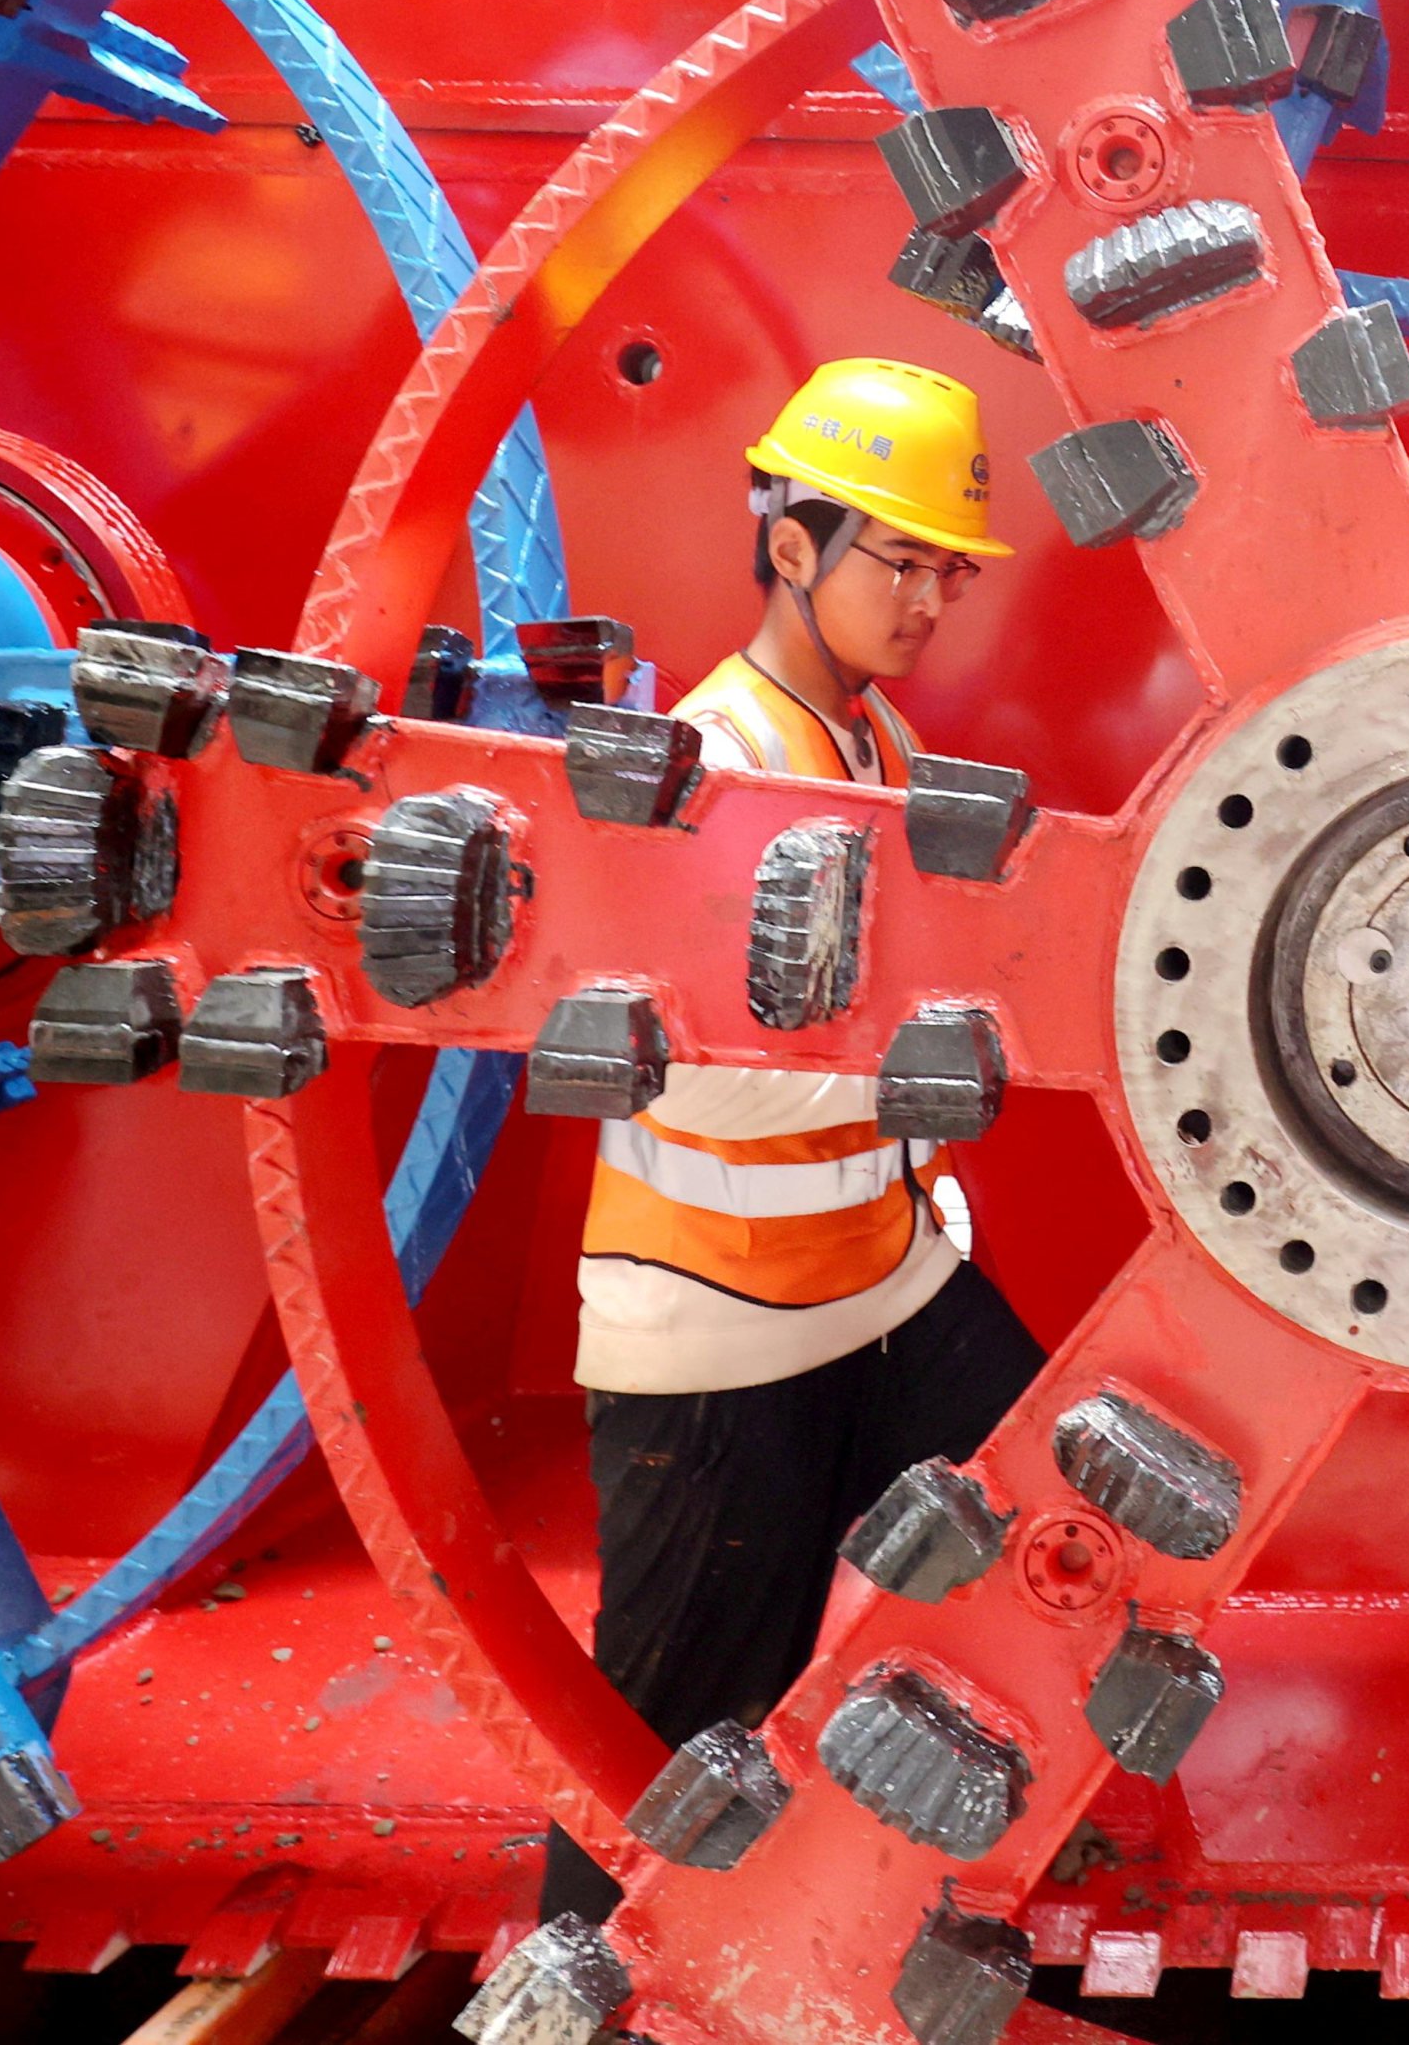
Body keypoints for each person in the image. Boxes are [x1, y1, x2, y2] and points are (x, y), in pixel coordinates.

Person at [538, 359, 1051, 1922]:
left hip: (877, 1286)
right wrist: (915, 1076)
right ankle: (590, 1975)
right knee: (675, 1728)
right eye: (897, 561)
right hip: (716, 1332)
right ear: (788, 544)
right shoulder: (715, 762)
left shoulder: (871, 739)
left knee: (1050, 1511)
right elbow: (679, 1075)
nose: (927, 603)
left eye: (945, 572)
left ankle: (894, 1864)